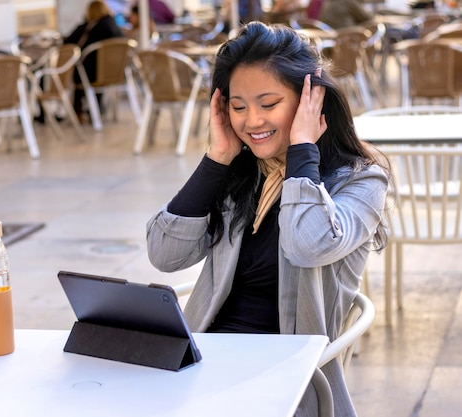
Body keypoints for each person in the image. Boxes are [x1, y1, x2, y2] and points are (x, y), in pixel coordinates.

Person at [145, 22, 390, 416]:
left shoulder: (360, 181)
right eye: (238, 107)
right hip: (207, 364)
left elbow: (307, 244)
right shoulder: (241, 172)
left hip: (288, 379)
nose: (252, 121)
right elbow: (164, 255)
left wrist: (301, 151)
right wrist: (217, 159)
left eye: (268, 104)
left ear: (311, 100)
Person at [64, 0, 124, 122]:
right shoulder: (115, 26)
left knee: (79, 69)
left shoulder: (89, 27)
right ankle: (97, 108)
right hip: (115, 72)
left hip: (91, 73)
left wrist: (85, 22)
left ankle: (78, 111)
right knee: (92, 67)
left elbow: (68, 42)